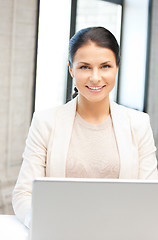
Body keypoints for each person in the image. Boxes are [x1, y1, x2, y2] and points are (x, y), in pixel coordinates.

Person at [12, 26, 158, 228]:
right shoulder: (45, 122)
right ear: (71, 69)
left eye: (105, 66)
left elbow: (150, 195)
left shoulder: (138, 124)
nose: (95, 77)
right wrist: (40, 223)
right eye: (85, 67)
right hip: (60, 232)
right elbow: (23, 193)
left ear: (117, 67)